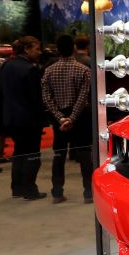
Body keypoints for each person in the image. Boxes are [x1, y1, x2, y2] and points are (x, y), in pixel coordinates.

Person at [41, 34, 92, 203]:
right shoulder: (84, 70)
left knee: (59, 156)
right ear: (74, 48)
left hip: (59, 120)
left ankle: (57, 192)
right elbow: (83, 97)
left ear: (57, 49)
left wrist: (61, 118)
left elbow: (47, 99)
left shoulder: (49, 71)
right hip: (80, 118)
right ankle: (88, 193)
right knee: (85, 156)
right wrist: (72, 117)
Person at [0, 35, 46, 200]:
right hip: (28, 120)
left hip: (11, 118)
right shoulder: (30, 69)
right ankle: (30, 189)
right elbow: (36, 98)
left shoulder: (6, 66)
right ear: (27, 49)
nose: (39, 52)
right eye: (37, 48)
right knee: (32, 155)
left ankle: (17, 188)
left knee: (19, 153)